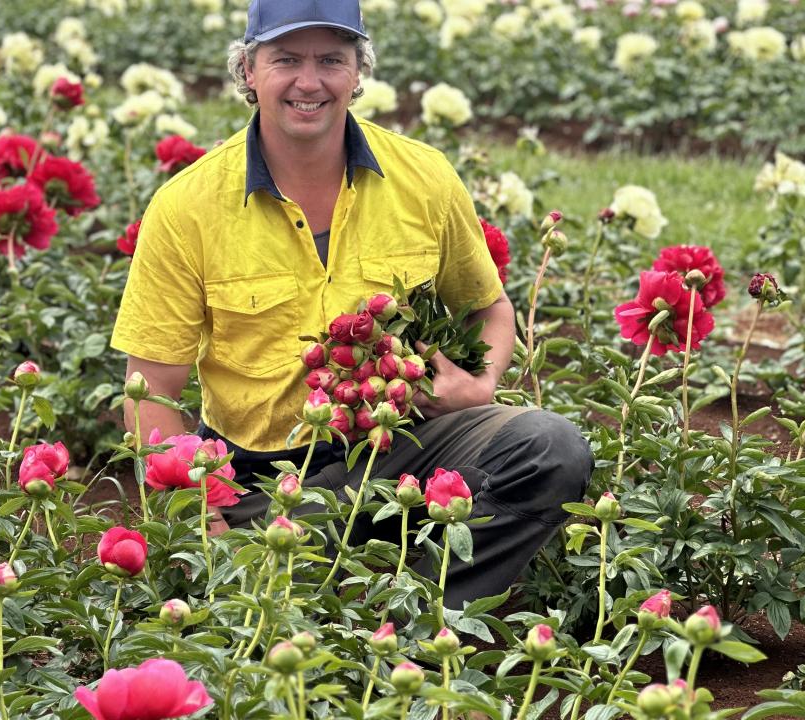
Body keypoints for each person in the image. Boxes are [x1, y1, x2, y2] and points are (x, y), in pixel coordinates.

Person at [110, 0, 592, 606]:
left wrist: (480, 382)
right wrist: (205, 530)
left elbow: (489, 309)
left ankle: (418, 619)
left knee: (551, 449)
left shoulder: (423, 176)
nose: (308, 82)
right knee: (270, 598)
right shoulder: (188, 207)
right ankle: (335, 590)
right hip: (264, 482)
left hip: (407, 451)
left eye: (330, 60)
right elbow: (148, 392)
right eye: (285, 58)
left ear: (357, 73)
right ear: (249, 71)